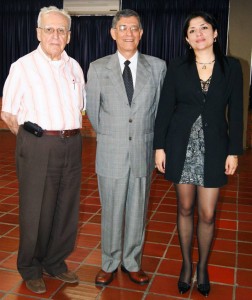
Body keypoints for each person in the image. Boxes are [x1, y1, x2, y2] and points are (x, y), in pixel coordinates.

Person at [154, 11, 243, 297]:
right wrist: (159, 146)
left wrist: (234, 151)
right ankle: (186, 266)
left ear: (215, 33)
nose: (199, 33)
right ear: (186, 39)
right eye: (192, 30)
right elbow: (165, 109)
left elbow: (238, 113)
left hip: (215, 148)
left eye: (204, 27)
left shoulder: (233, 67)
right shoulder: (177, 67)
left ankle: (202, 266)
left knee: (206, 213)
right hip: (181, 146)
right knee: (184, 208)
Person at [1, 6, 85, 294]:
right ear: (38, 33)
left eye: (61, 30)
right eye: (49, 29)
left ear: (69, 36)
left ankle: (55, 261)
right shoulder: (21, 66)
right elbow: (9, 114)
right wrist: (35, 139)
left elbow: (79, 108)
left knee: (66, 208)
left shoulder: (75, 67)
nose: (55, 35)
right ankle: (30, 266)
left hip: (72, 144)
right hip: (38, 144)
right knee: (36, 208)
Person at [86, 9, 166, 286]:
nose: (128, 33)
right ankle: (109, 262)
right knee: (110, 211)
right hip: (110, 152)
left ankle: (132, 262)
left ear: (141, 33)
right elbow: (93, 114)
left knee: (137, 211)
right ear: (113, 33)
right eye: (123, 28)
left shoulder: (157, 67)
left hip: (142, 152)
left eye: (134, 28)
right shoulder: (97, 68)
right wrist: (112, 136)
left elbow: (159, 112)